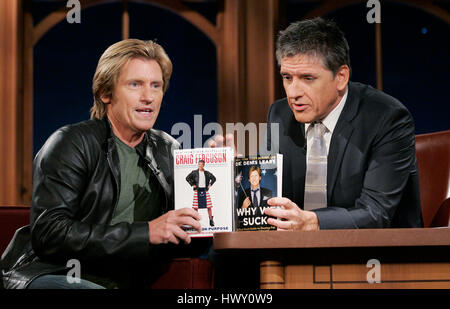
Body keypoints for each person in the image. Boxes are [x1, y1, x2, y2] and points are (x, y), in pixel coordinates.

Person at [1, 39, 202, 289]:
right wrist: (146, 232)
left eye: (156, 86)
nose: (148, 97)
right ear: (105, 93)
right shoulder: (71, 143)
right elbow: (49, 234)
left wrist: (222, 177)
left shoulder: (169, 150)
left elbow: (192, 237)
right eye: (135, 84)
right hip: (54, 274)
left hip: (122, 281)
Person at [263, 17, 423, 230]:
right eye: (287, 77)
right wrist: (237, 177)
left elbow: (376, 213)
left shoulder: (387, 119)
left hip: (377, 255)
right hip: (296, 254)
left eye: (308, 78)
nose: (293, 93)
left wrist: (311, 221)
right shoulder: (280, 114)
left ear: (340, 77)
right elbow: (268, 198)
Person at [186, 160, 216, 226]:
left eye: (201, 164)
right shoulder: (194, 172)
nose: (200, 165)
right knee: (195, 207)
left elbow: (214, 178)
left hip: (205, 190)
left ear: (203, 165)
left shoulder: (207, 173)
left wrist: (210, 185)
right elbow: (187, 178)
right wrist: (192, 184)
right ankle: (195, 221)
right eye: (199, 164)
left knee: (209, 206)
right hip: (197, 190)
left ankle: (211, 220)